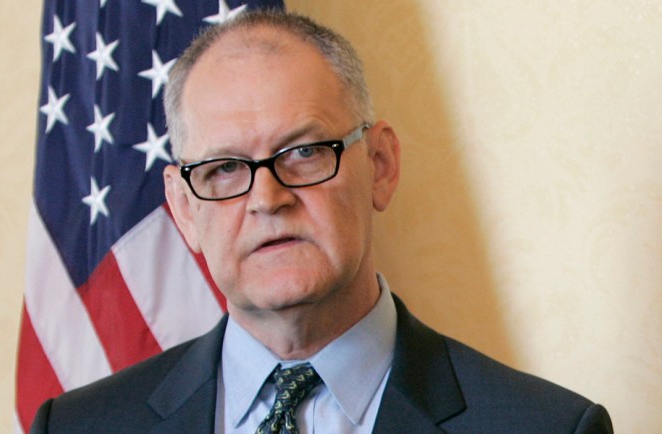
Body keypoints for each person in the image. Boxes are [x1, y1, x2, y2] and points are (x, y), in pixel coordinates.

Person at [31, 9, 613, 434]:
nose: (267, 197)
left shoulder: (550, 429)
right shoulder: (77, 428)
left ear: (380, 166)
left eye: (305, 152)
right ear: (184, 208)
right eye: (225, 168)